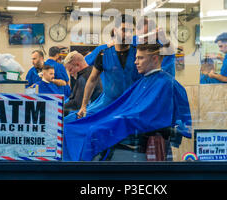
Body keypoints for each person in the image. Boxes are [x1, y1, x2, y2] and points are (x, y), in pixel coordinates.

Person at [63, 43, 192, 161]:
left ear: (154, 59)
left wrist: (118, 119)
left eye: (140, 58)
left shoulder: (164, 82)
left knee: (95, 131)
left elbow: (146, 114)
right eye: (136, 58)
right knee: (72, 127)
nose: (135, 62)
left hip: (138, 126)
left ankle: (84, 171)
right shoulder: (146, 81)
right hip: (127, 119)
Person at [66, 14, 142, 123]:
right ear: (115, 31)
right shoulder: (103, 55)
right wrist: (83, 106)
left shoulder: (138, 54)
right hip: (109, 104)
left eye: (131, 31)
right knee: (74, 122)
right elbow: (92, 80)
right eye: (124, 30)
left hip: (133, 104)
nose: (129, 34)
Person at [63, 51, 103, 116]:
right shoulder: (91, 71)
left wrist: (59, 108)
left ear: (77, 65)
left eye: (70, 70)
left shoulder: (84, 77)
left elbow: (77, 104)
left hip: (90, 114)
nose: (70, 73)